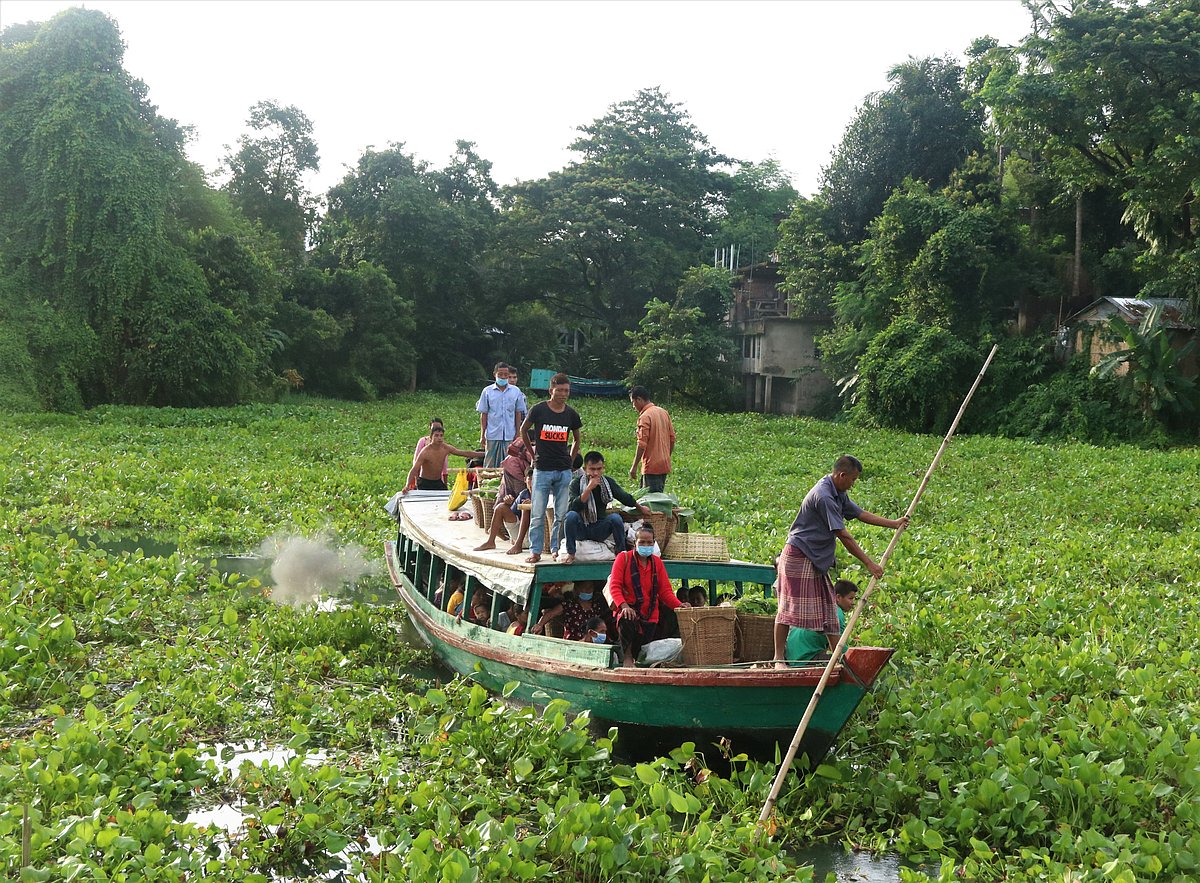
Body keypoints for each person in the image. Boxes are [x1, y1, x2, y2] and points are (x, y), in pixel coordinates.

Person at [773, 456, 907, 666]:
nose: (853, 485)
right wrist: (869, 564)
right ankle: (778, 658)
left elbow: (860, 513)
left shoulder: (838, 492)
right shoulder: (824, 496)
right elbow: (844, 536)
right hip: (799, 554)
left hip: (816, 558)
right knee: (788, 607)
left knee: (828, 608)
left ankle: (838, 658)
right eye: (853, 479)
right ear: (842, 475)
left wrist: (893, 523)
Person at [519, 373, 582, 563]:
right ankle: (535, 551)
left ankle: (556, 549)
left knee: (560, 515)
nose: (563, 394)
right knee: (537, 513)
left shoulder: (571, 414)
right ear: (551, 390)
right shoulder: (539, 410)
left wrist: (570, 462)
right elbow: (523, 430)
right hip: (543, 469)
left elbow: (577, 439)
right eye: (560, 390)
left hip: (563, 471)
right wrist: (532, 454)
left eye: (566, 391)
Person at [609, 524, 690, 667]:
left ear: (653, 543)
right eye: (642, 542)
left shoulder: (657, 563)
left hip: (650, 613)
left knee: (645, 645)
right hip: (628, 609)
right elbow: (614, 586)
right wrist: (624, 606)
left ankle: (640, 661)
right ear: (635, 543)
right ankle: (627, 658)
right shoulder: (624, 558)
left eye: (649, 542)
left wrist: (679, 605)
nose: (646, 545)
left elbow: (665, 591)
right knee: (627, 619)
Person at [560, 451, 652, 564]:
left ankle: (621, 554)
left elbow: (624, 497)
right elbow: (573, 507)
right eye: (592, 469)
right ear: (585, 469)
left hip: (599, 527)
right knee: (570, 516)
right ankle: (571, 553)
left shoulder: (607, 483)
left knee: (615, 518)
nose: (595, 473)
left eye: (599, 469)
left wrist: (641, 508)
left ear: (603, 468)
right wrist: (588, 489)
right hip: (582, 527)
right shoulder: (576, 483)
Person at [786, 579, 857, 661]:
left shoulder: (819, 606)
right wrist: (854, 655)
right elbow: (838, 646)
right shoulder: (836, 613)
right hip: (806, 658)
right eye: (850, 598)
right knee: (848, 661)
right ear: (838, 597)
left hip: (791, 657)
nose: (853, 602)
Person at [403, 426, 483, 492]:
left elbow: (465, 453)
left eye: (441, 435)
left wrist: (484, 454)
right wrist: (407, 486)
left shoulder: (445, 448)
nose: (439, 438)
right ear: (431, 437)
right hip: (424, 483)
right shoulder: (425, 452)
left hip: (438, 482)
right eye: (436, 435)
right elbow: (414, 469)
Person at [477, 362, 527, 468]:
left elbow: (518, 413)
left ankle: (507, 483)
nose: (503, 377)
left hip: (509, 434)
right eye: (500, 374)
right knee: (490, 462)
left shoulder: (516, 391)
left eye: (506, 375)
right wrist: (482, 434)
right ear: (494, 374)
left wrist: (517, 432)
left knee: (509, 463)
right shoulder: (487, 392)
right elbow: (484, 414)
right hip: (492, 433)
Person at [628, 386, 675, 493]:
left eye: (633, 402)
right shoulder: (663, 412)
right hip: (664, 464)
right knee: (656, 497)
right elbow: (672, 438)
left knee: (651, 502)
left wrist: (634, 466)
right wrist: (666, 456)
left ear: (639, 399)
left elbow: (641, 444)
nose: (633, 406)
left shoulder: (645, 416)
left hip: (651, 466)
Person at [474, 467, 533, 553]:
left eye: (536, 479)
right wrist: (507, 503)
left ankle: (518, 545)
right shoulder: (523, 494)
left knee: (525, 507)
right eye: (530, 479)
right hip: (520, 533)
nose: (533, 482)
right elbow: (512, 512)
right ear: (525, 480)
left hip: (534, 534)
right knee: (501, 507)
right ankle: (491, 541)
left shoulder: (543, 494)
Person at [533, 581, 615, 641]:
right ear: (577, 589)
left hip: (591, 643)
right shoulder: (569, 605)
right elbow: (550, 614)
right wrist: (540, 625)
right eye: (585, 588)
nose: (588, 591)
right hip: (571, 643)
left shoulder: (596, 606)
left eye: (590, 588)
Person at [413, 418, 449, 485]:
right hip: (423, 480)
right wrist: (416, 480)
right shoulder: (423, 442)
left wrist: (445, 483)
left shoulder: (443, 445)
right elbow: (416, 462)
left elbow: (444, 465)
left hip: (438, 480)